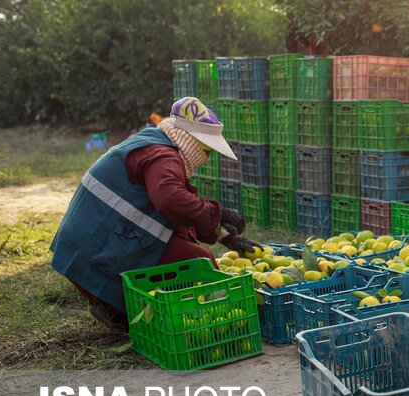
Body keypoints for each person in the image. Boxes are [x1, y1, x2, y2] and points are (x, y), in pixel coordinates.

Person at [51, 97, 261, 332]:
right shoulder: (164, 156)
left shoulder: (152, 144)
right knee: (200, 262)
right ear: (192, 142)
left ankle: (114, 309)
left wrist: (223, 236)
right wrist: (218, 213)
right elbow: (170, 199)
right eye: (206, 150)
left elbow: (173, 217)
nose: (206, 158)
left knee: (180, 254)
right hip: (93, 246)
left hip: (82, 245)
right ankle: (226, 320)